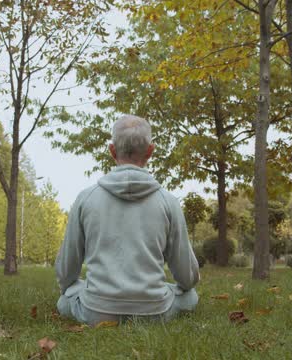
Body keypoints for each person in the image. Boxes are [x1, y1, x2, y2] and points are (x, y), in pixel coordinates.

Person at [55, 115, 200, 326]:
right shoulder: (168, 202)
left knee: (66, 297)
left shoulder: (86, 198)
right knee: (190, 296)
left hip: (96, 311)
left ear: (112, 150)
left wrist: (71, 287)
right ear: (150, 151)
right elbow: (187, 278)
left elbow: (66, 271)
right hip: (155, 313)